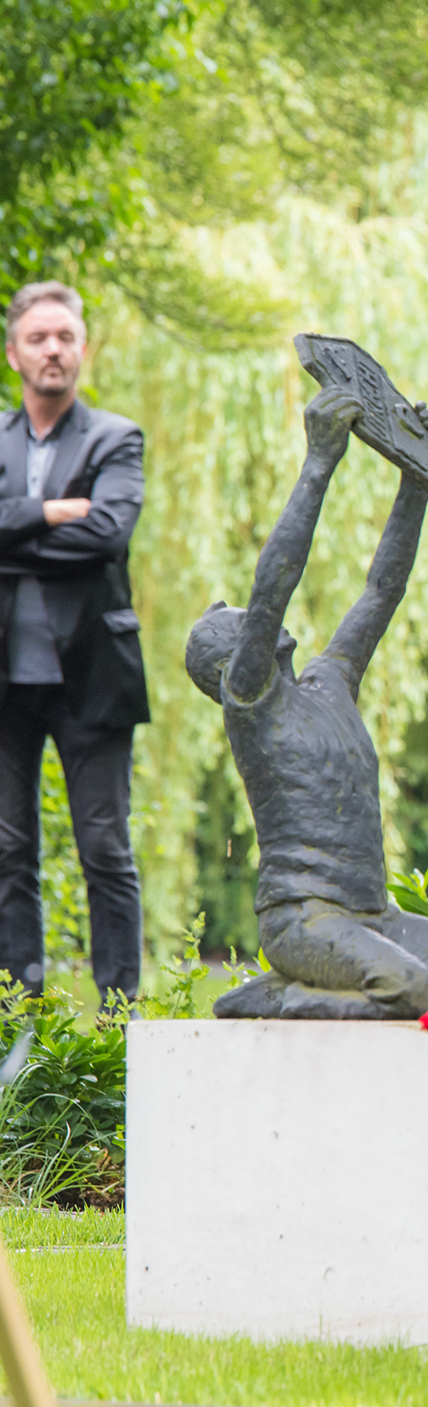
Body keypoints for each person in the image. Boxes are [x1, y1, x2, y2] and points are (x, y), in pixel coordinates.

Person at [188, 384, 428, 1018]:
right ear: (228, 663)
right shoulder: (249, 702)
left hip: (375, 915)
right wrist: (318, 463)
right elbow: (274, 585)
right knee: (406, 989)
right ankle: (285, 996)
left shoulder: (331, 684)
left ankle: (314, 991)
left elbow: (383, 589)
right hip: (305, 919)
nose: (259, 620)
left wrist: (418, 483)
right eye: (244, 625)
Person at [0, 282, 150, 1006]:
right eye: (38, 338)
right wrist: (51, 512)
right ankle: (16, 1021)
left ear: (83, 346)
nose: (53, 348)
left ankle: (121, 1022)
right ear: (14, 352)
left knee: (105, 851)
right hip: (6, 683)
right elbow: (79, 536)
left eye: (64, 335)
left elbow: (109, 534)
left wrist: (12, 530)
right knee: (7, 854)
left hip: (93, 675)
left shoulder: (115, 438)